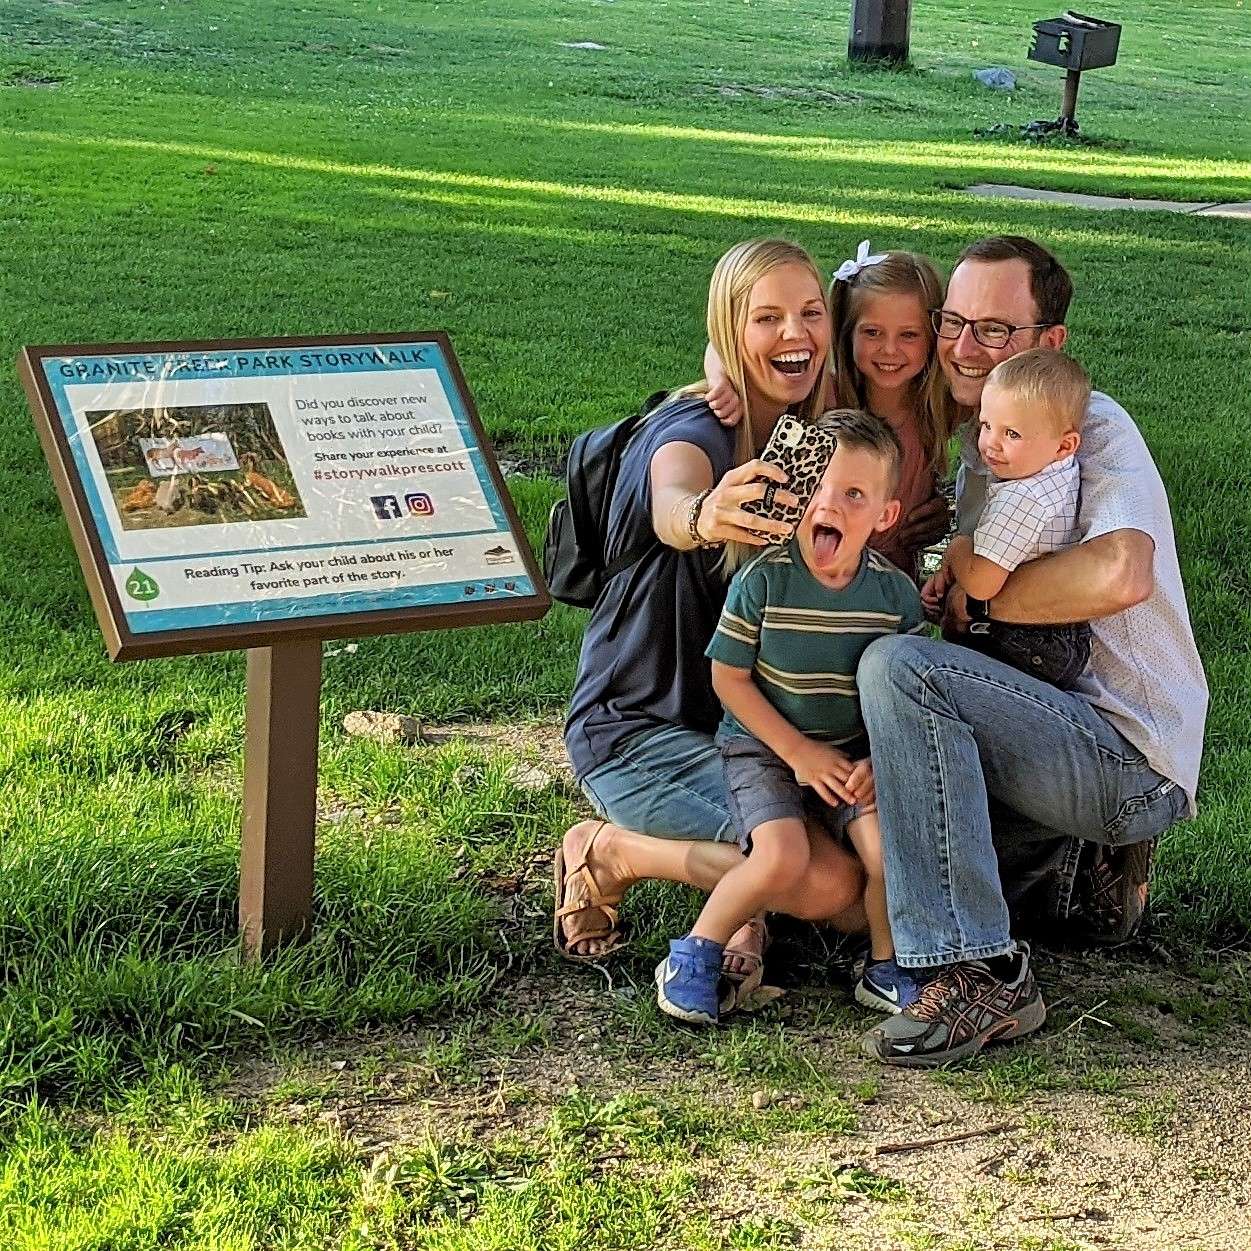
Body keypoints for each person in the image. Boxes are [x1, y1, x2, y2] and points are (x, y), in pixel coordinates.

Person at [857, 235, 1208, 1068]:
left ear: (1049, 343)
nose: (962, 347)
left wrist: (976, 591)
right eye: (952, 322)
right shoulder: (992, 435)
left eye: (994, 329)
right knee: (848, 882)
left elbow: (1121, 573)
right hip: (1044, 722)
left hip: (1127, 754)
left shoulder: (1089, 425)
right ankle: (1075, 878)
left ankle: (979, 972)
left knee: (897, 671)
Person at [556, 239, 865, 988]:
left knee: (880, 858)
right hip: (637, 730)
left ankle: (748, 901)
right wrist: (702, 515)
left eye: (809, 313)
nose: (795, 334)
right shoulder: (691, 429)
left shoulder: (802, 432)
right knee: (836, 891)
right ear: (729, 329)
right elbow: (672, 498)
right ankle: (609, 853)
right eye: (766, 318)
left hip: (742, 730)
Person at [655, 412, 926, 1025]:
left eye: (854, 494)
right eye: (820, 487)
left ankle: (885, 968)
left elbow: (910, 696)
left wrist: (877, 762)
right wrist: (799, 753)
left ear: (885, 515)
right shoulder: (763, 581)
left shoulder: (894, 597)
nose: (831, 504)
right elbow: (729, 680)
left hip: (852, 754)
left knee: (885, 853)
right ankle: (696, 951)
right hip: (762, 746)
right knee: (780, 857)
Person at [706, 240, 956, 580]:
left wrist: (943, 510)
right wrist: (720, 378)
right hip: (813, 581)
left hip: (889, 589)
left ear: (933, 336)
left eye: (909, 335)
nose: (890, 349)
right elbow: (722, 342)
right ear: (845, 331)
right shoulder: (825, 398)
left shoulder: (938, 406)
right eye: (872, 332)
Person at [927, 348, 1092, 688]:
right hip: (1061, 631)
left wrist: (957, 549)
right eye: (987, 425)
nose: (990, 444)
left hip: (1030, 637)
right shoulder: (1055, 469)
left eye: (1012, 434)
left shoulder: (1020, 498)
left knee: (944, 668)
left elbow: (981, 584)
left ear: (1065, 445)